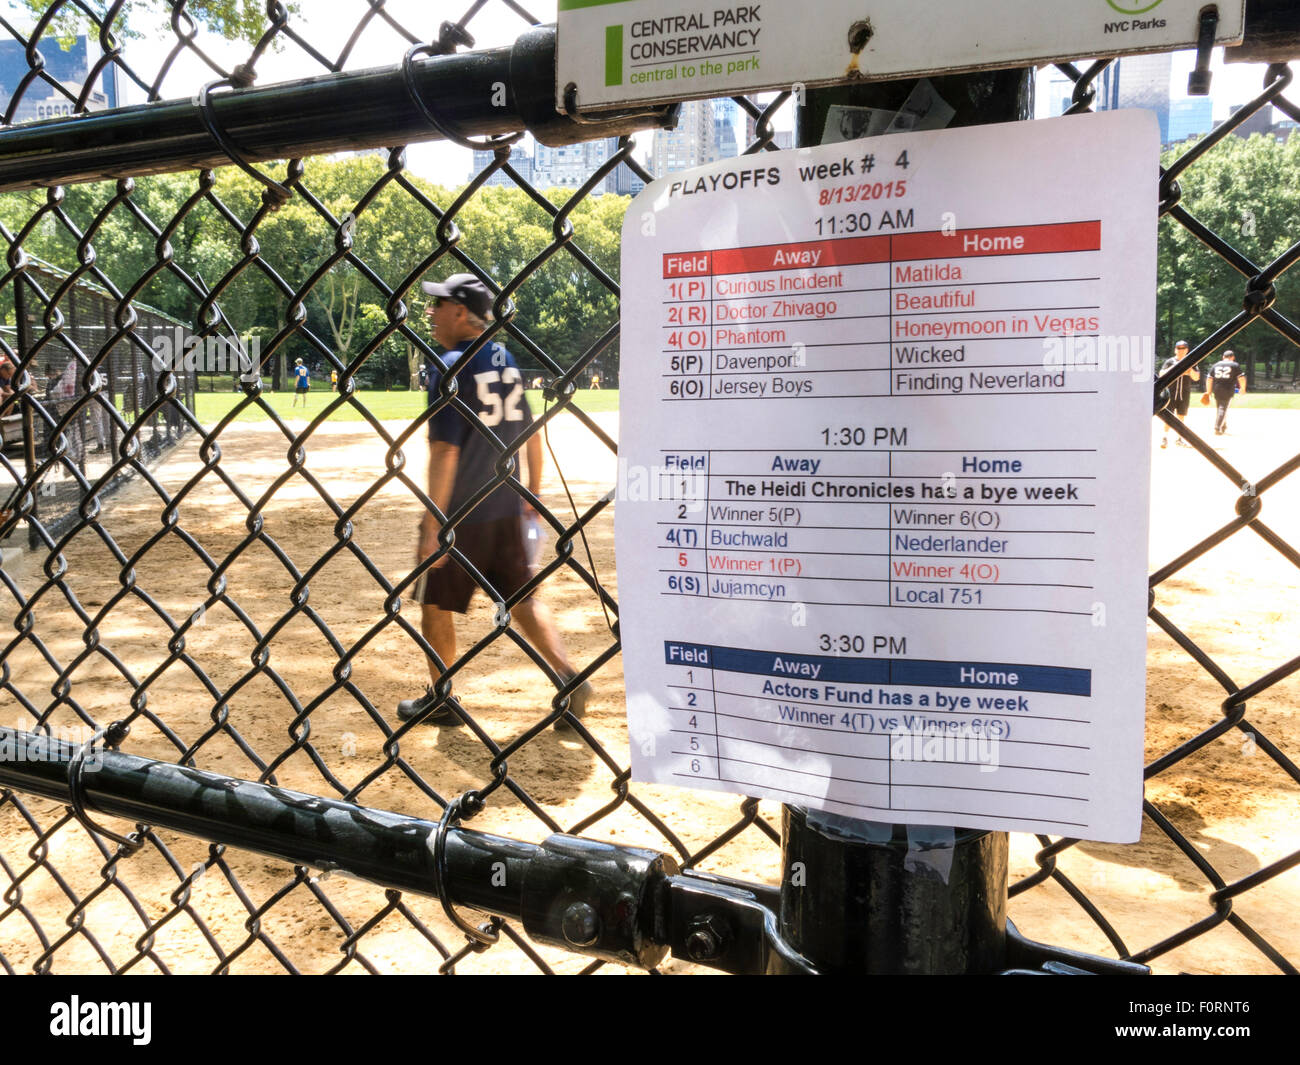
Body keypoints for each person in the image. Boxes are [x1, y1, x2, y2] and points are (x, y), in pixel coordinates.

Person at [400, 273, 592, 728]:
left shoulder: (449, 365)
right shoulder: (505, 360)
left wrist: (433, 525)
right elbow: (532, 432)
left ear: (461, 312)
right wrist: (532, 493)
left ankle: (442, 695)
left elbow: (445, 452)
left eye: (438, 304)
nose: (430, 312)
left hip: (462, 516)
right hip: (506, 505)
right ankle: (568, 677)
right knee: (523, 597)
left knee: (433, 602)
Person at [1159, 340, 1199, 448]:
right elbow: (1161, 374)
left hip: (1184, 394)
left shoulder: (1191, 362)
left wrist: (1189, 369)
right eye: (1179, 348)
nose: (1181, 351)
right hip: (1170, 394)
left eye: (1183, 348)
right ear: (1175, 350)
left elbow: (1196, 377)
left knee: (1181, 416)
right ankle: (1165, 437)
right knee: (1168, 417)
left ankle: (1179, 438)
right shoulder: (1170, 361)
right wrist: (1175, 367)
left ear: (1187, 350)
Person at [1205, 349, 1246, 436]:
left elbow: (1209, 378)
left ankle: (1223, 425)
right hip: (1228, 390)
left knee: (1220, 408)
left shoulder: (1215, 365)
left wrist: (1208, 392)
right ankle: (1218, 427)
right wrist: (1243, 388)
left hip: (1217, 389)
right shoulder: (1234, 365)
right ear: (1233, 357)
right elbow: (1241, 378)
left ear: (1223, 357)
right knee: (1223, 408)